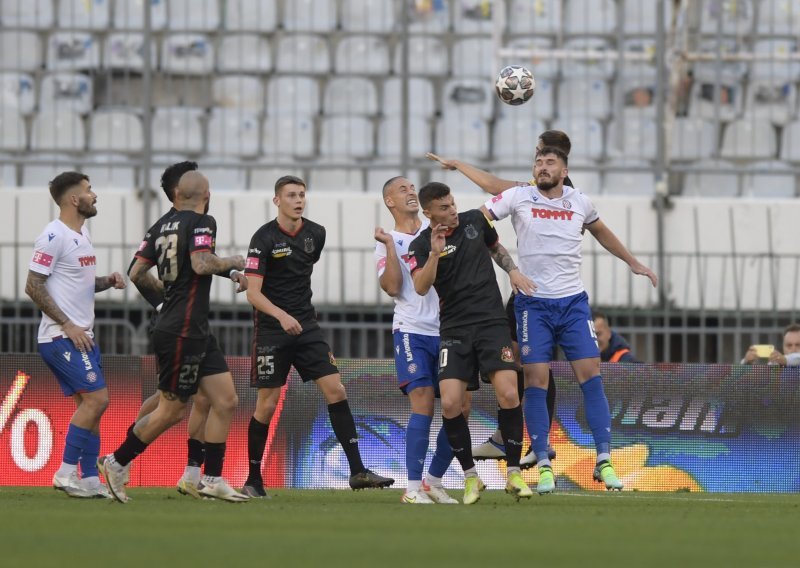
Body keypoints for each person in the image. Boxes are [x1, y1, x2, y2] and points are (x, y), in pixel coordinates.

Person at [481, 147, 657, 494]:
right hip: (533, 305)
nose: (542, 168)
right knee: (535, 379)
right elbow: (480, 221)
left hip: (573, 303)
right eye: (538, 163)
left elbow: (601, 231)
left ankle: (604, 460)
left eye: (549, 163)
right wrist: (511, 268)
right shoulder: (518, 196)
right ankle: (544, 462)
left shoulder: (580, 201)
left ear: (564, 170)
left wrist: (632, 262)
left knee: (591, 375)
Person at [98, 170, 248, 503]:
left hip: (190, 326)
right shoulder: (203, 221)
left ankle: (212, 478)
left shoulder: (160, 226)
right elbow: (200, 263)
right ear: (206, 194)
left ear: (178, 193)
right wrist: (238, 261)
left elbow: (136, 272)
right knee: (172, 409)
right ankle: (116, 461)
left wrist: (165, 301)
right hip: (182, 329)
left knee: (225, 399)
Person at [242, 175, 394, 496]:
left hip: (307, 329)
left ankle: (357, 471)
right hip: (273, 330)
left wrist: (297, 318)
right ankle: (254, 480)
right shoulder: (263, 238)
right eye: (291, 195)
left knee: (336, 389)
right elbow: (253, 293)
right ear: (277, 201)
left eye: (302, 195)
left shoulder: (316, 234)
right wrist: (282, 316)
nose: (298, 200)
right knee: (267, 405)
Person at [428, 129, 571, 468]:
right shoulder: (549, 187)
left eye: (541, 155)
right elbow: (498, 187)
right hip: (533, 287)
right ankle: (514, 435)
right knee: (515, 357)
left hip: (542, 292)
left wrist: (460, 170)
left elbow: (496, 188)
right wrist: (460, 165)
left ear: (554, 158)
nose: (537, 162)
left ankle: (540, 439)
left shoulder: (554, 190)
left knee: (530, 361)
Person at [408, 181, 535, 505]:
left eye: (452, 204)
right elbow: (421, 287)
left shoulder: (476, 221)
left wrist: (513, 271)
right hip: (454, 329)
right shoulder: (420, 246)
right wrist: (435, 254)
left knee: (508, 393)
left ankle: (514, 473)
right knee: (451, 404)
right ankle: (470, 477)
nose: (452, 211)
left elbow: (496, 248)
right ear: (428, 212)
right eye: (444, 208)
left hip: (491, 323)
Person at [25, 172, 126, 498]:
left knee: (92, 406)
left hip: (82, 335)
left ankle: (89, 479)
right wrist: (67, 324)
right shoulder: (53, 236)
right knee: (98, 399)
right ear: (73, 199)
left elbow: (77, 282)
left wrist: (106, 281)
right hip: (59, 336)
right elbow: (32, 285)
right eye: (88, 190)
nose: (94, 195)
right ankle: (65, 472)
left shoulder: (81, 235)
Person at [374, 176, 458, 504]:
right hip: (412, 329)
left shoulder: (437, 230)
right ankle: (411, 487)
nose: (410, 192)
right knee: (422, 398)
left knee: (459, 407)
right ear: (390, 201)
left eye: (412, 188)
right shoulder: (388, 239)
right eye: (402, 189)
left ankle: (433, 480)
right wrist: (388, 247)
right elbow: (393, 287)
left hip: (450, 329)